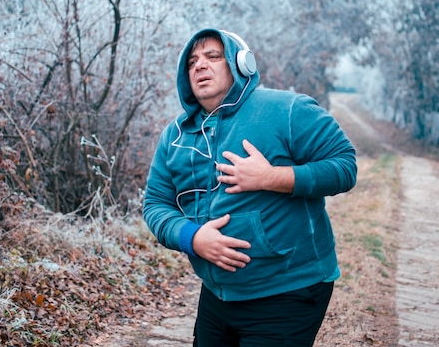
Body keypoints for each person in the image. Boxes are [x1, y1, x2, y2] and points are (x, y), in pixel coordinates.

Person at [143, 28, 357, 346]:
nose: (200, 65)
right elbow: (156, 203)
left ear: (241, 64)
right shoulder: (174, 136)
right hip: (217, 294)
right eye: (192, 61)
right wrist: (192, 237)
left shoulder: (287, 110)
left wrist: (272, 177)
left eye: (213, 56)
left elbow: (344, 167)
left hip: (288, 290)